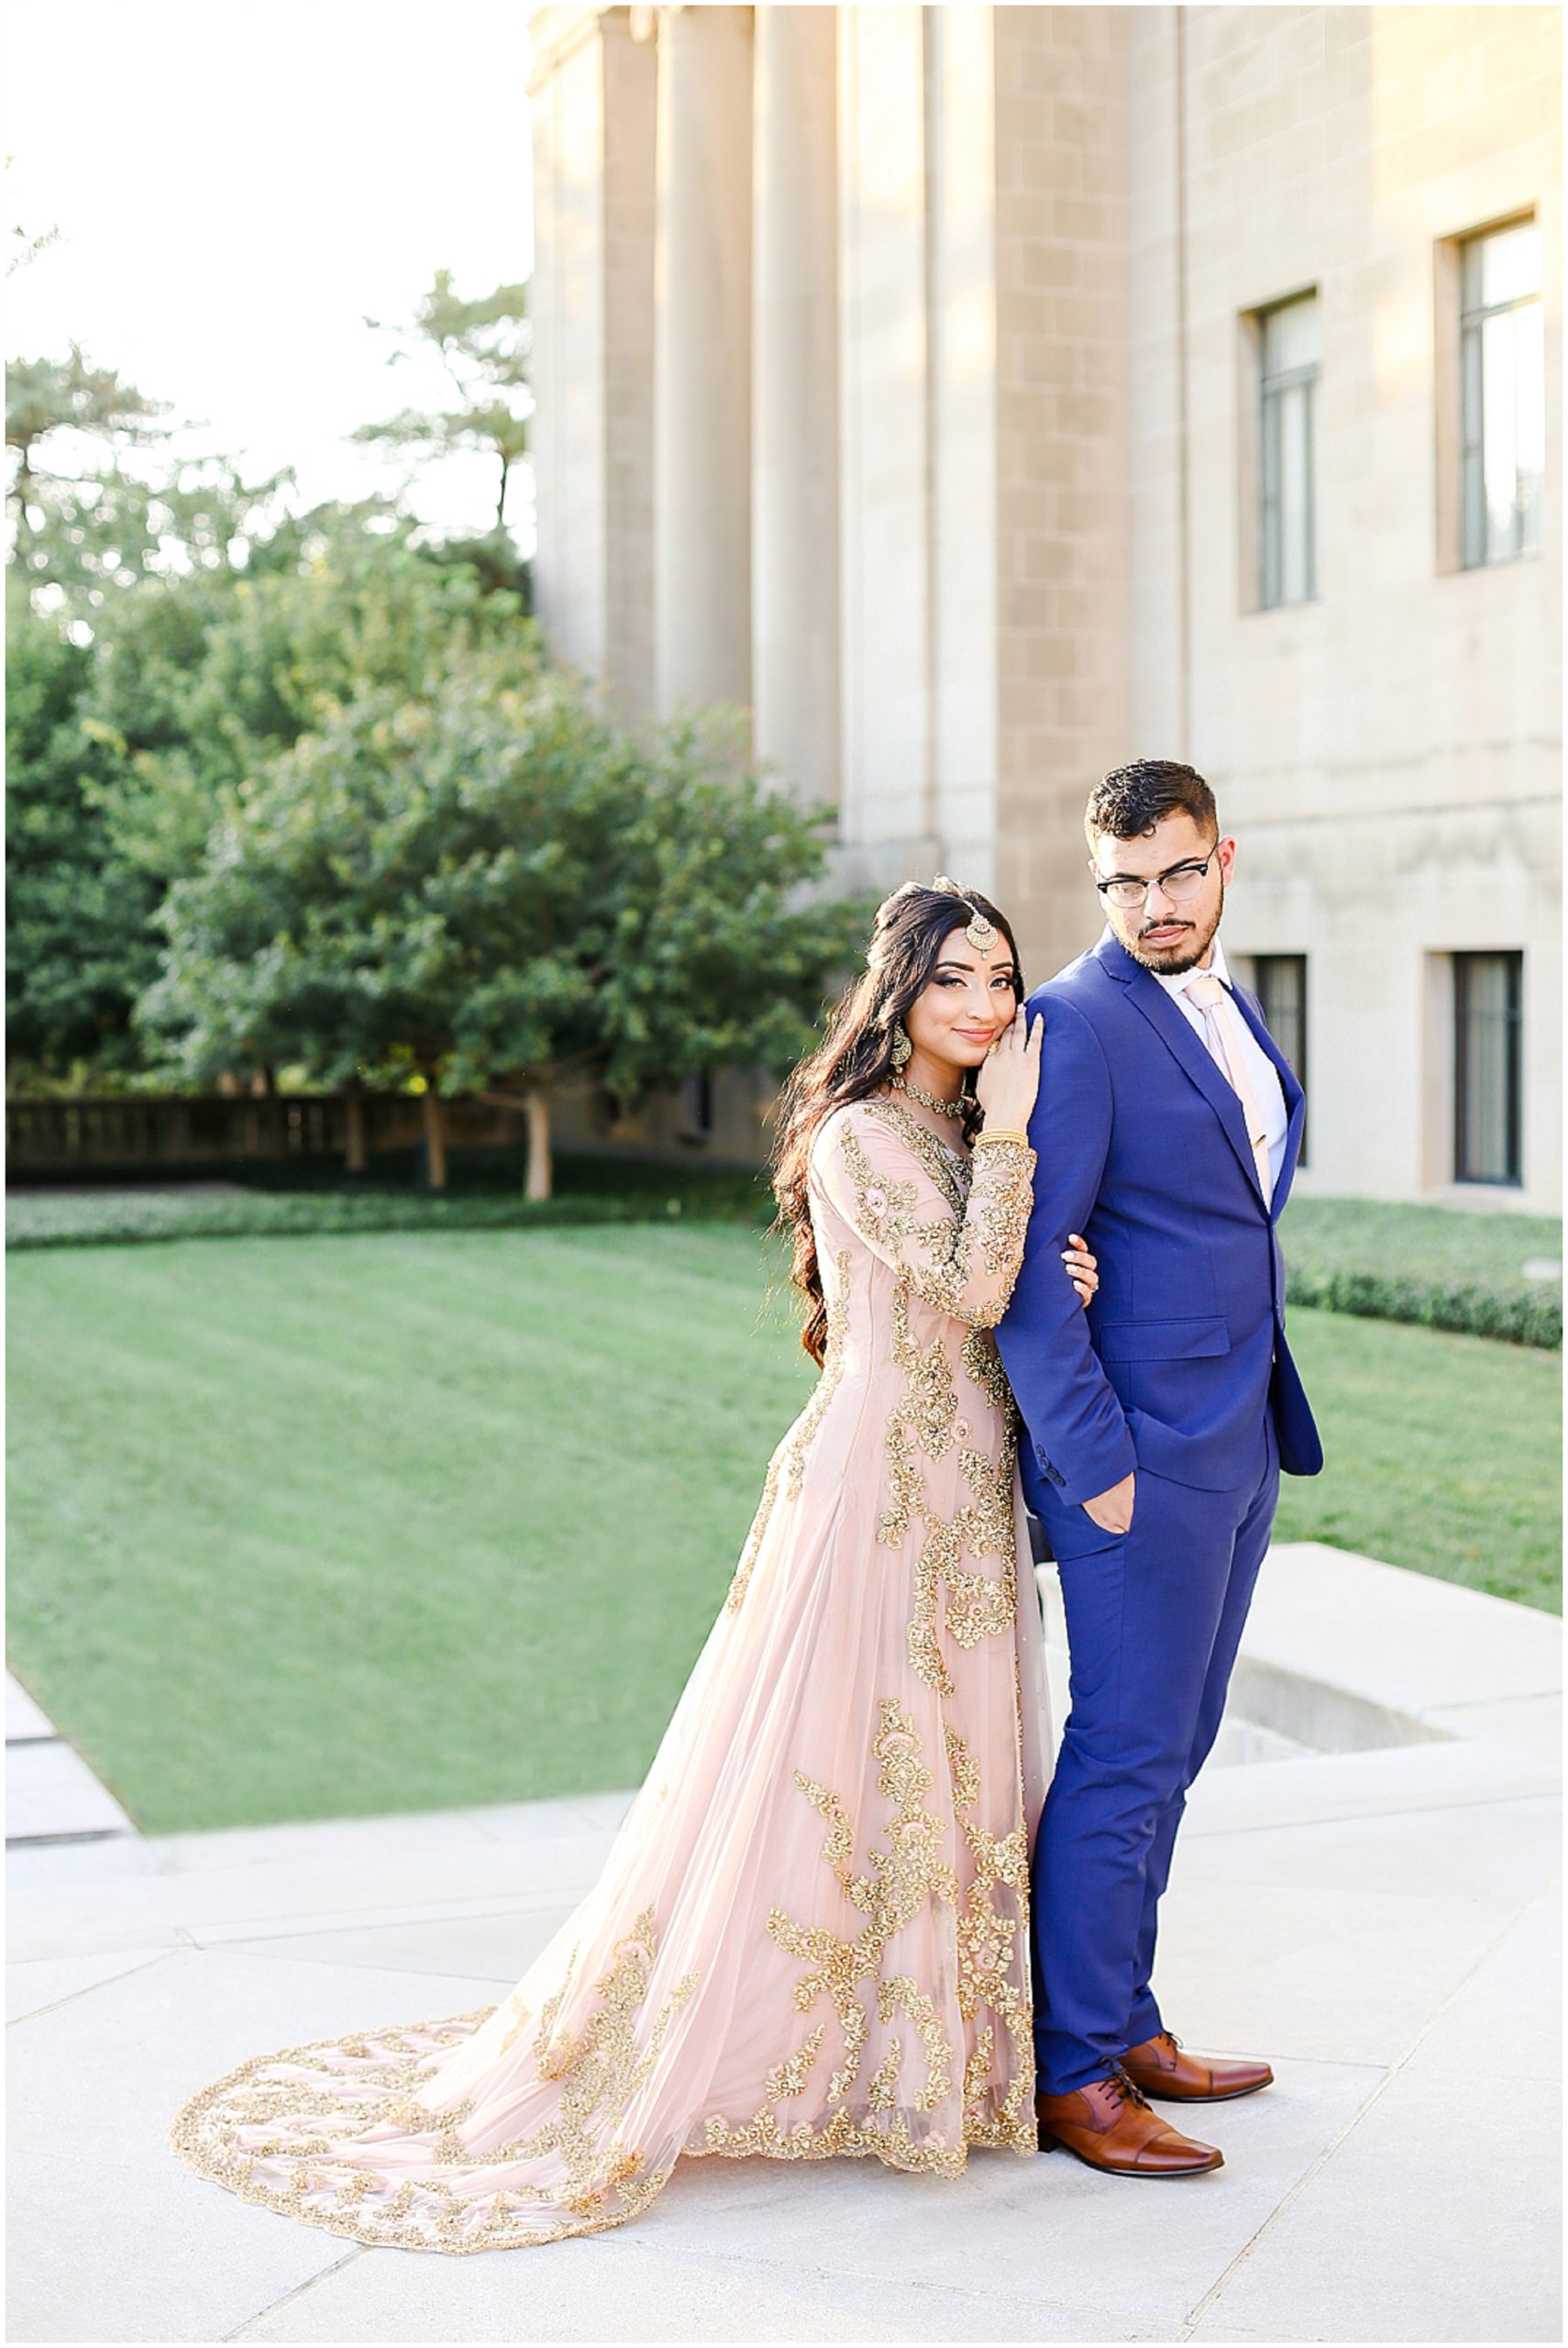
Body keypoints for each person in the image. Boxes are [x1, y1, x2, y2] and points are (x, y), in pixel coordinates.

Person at [170, 878, 1098, 2252]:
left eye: (1001, 979)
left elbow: (992, 1286)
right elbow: (965, 1290)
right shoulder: (859, 1135)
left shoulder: (954, 1130)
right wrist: (1015, 1166)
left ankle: (923, 2060)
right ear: (899, 987)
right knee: (841, 1762)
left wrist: (1047, 1259)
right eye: (956, 977)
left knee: (948, 1756)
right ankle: (773, 2051)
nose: (984, 1005)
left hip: (963, 1488)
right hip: (870, 1490)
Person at [996, 758, 1323, 2181]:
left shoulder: (1232, 1009)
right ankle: (1069, 2073)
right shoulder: (1072, 1022)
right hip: (1136, 1460)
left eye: (1176, 875)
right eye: (1123, 884)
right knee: (1124, 1752)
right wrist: (1098, 1470)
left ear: (1222, 860)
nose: (1151, 906)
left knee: (1175, 1747)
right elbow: (1024, 1278)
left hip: (1237, 1437)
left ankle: (1121, 2018)